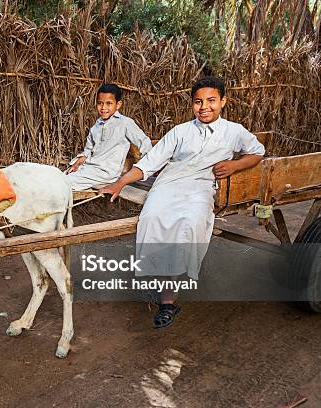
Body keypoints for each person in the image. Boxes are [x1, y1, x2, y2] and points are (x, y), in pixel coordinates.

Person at [100, 76, 265, 328]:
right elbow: (150, 161)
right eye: (198, 102)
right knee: (152, 217)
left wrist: (235, 165)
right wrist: (120, 183)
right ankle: (159, 277)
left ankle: (168, 300)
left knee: (189, 223)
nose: (204, 107)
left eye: (211, 100)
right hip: (169, 183)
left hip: (200, 188)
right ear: (192, 104)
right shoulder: (181, 131)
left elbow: (257, 152)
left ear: (223, 101)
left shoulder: (234, 131)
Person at [65, 84, 152, 191]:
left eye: (109, 103)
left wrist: (146, 167)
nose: (103, 108)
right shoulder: (96, 126)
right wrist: (78, 163)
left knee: (63, 183)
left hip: (106, 173)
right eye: (100, 103)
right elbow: (88, 150)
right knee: (61, 176)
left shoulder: (125, 123)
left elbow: (144, 142)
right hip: (90, 168)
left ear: (118, 104)